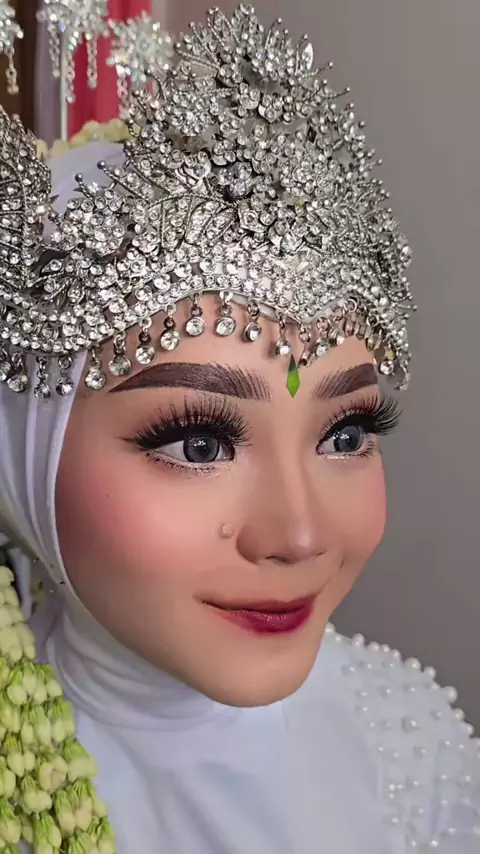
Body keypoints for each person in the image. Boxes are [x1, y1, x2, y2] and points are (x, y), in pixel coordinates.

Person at [0, 6, 477, 853]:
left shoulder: (410, 742)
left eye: (346, 434)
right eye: (200, 444)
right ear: (23, 457)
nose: (299, 535)